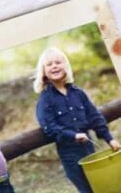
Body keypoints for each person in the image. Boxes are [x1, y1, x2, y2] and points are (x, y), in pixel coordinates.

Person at [34, 47, 121, 193]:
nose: (54, 66)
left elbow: (95, 117)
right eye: (49, 64)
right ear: (43, 72)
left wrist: (109, 138)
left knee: (103, 185)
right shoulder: (45, 99)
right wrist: (72, 135)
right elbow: (49, 127)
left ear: (66, 66)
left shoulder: (78, 93)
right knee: (87, 189)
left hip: (89, 148)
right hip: (70, 154)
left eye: (58, 62)